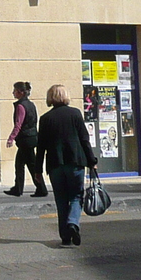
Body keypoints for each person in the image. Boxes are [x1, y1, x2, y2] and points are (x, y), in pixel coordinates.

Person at [37, 84, 97, 246]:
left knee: (61, 200)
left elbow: (41, 146)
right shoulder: (75, 114)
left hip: (55, 164)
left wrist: (37, 170)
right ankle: (73, 223)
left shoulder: (45, 119)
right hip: (75, 162)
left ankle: (65, 237)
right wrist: (92, 161)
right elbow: (84, 140)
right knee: (76, 196)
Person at [3, 82, 45, 197]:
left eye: (15, 90)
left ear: (21, 92)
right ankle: (18, 188)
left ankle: (41, 188)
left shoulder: (21, 106)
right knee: (19, 164)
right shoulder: (31, 105)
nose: (13, 93)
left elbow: (18, 124)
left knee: (31, 165)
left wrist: (11, 138)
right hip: (30, 137)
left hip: (25, 139)